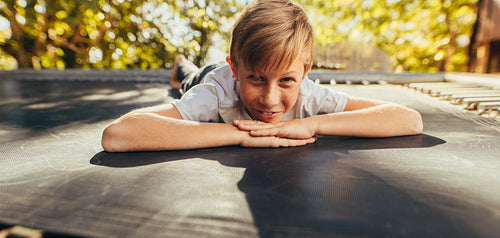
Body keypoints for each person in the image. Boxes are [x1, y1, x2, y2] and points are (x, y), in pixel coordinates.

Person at [101, 0, 423, 152]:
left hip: (235, 67)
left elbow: (408, 120)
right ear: (237, 70)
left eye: (286, 80)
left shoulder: (310, 95)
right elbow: (118, 134)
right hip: (209, 75)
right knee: (188, 77)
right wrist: (240, 134)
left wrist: (312, 123)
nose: (270, 100)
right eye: (256, 79)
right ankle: (182, 65)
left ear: (305, 71)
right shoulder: (217, 92)